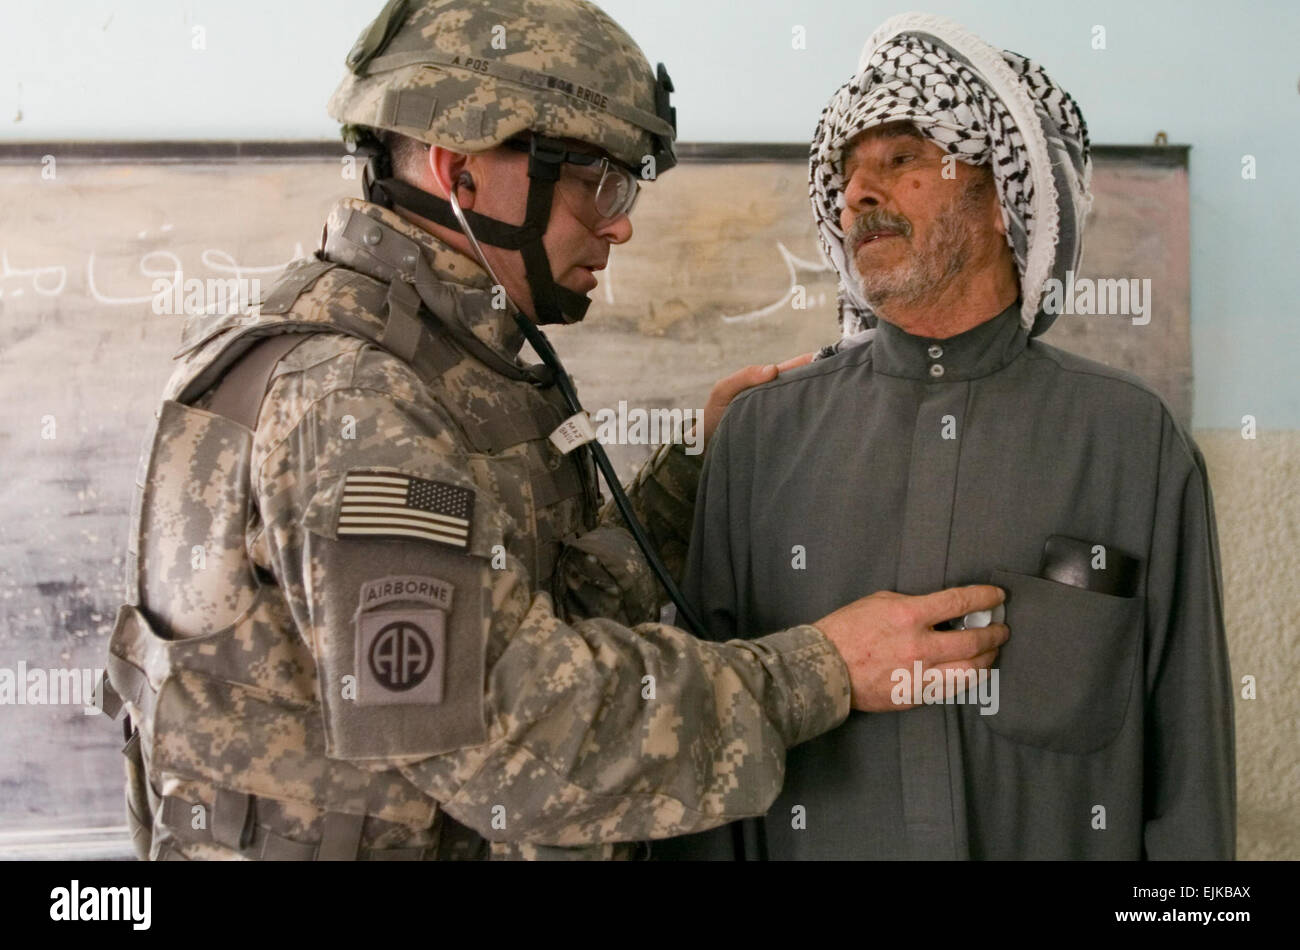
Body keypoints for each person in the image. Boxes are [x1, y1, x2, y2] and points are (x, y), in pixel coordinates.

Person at [100, 0, 1008, 861]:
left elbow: (542, 604)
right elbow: (509, 733)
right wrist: (827, 669)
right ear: (459, 171)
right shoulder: (350, 395)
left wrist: (695, 472)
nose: (617, 223)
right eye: (594, 180)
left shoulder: (448, 356)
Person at [660, 13, 1234, 860]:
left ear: (1001, 192)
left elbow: (1189, 774)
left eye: (900, 160)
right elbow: (707, 762)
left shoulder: (1130, 441)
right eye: (848, 174)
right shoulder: (760, 438)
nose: (859, 193)